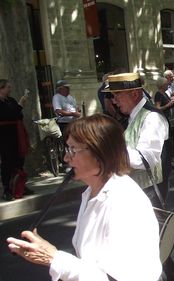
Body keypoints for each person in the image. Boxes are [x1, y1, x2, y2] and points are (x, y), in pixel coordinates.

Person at [6, 114, 162, 281]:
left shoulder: (124, 202)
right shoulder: (92, 192)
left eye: (73, 150)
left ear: (101, 153)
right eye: (67, 149)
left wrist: (53, 258)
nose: (66, 158)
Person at [109, 73, 170, 202]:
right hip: (136, 192)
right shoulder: (132, 116)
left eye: (117, 95)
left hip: (148, 195)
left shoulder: (152, 118)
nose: (114, 101)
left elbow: (145, 158)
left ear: (135, 94)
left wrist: (109, 152)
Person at [0, 79, 31, 201]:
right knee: (7, 162)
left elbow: (18, 115)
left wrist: (18, 107)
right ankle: (7, 189)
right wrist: (20, 105)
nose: (10, 89)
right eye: (8, 87)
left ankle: (20, 185)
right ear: (1, 88)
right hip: (3, 136)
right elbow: (7, 115)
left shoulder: (11, 100)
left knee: (19, 160)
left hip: (16, 134)